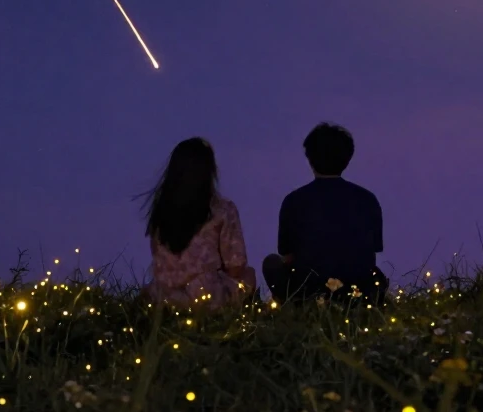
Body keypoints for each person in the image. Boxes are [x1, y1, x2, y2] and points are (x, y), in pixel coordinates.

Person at [262, 123, 388, 304]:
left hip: (307, 291)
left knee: (271, 263)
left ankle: (294, 304)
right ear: (347, 158)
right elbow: (370, 255)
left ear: (310, 158)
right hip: (357, 291)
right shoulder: (367, 199)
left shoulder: (294, 201)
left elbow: (287, 257)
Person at [141, 137, 257, 309]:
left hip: (163, 296)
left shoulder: (161, 211)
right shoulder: (222, 209)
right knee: (248, 275)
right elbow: (236, 264)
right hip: (205, 295)